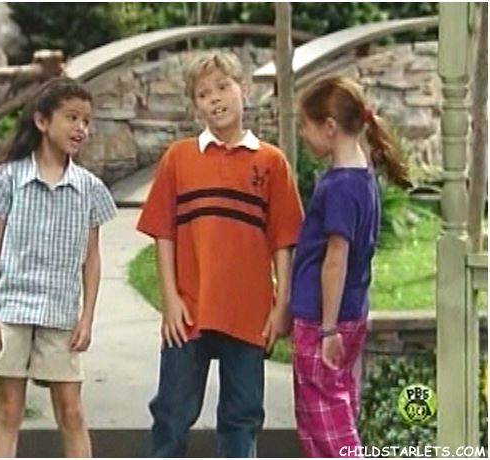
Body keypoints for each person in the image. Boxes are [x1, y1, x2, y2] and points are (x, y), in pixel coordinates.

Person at [137, 51, 304, 457]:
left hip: (249, 312)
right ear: (195, 106)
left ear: (242, 90)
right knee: (172, 411)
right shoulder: (179, 158)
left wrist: (281, 304)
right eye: (203, 93)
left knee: (242, 415)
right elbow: (162, 233)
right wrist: (170, 299)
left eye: (223, 87)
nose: (215, 98)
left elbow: (283, 240)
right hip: (189, 311)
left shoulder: (271, 162)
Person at [0, 77, 116, 457]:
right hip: (12, 311)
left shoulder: (89, 188)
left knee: (71, 411)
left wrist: (87, 317)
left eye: (86, 121)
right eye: (72, 117)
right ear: (42, 121)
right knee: (7, 411)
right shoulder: (8, 179)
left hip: (60, 314)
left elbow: (92, 258)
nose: (81, 128)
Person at [289, 75, 410, 458]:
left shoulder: (339, 186)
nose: (303, 135)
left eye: (305, 126)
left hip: (324, 321)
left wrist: (327, 329)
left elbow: (335, 260)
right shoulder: (362, 177)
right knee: (331, 410)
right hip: (349, 314)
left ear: (329, 127)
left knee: (326, 423)